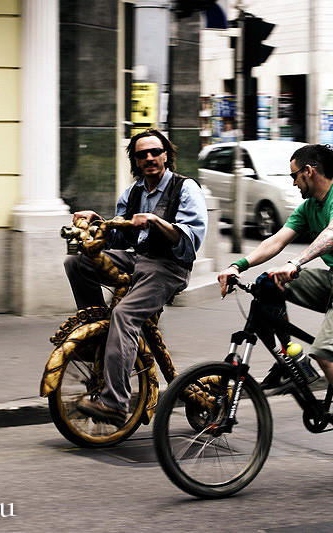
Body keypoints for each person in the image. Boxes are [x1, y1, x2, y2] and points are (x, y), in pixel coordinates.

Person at [217, 144, 333, 465]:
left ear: (309, 171)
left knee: (327, 353)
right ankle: (293, 361)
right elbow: (276, 240)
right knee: (266, 285)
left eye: (294, 176)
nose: (292, 183)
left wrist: (296, 263)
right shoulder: (309, 206)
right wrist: (238, 266)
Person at [66, 128, 208, 426]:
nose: (149, 158)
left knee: (125, 315)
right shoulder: (133, 192)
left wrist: (157, 221)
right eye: (141, 154)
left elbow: (190, 240)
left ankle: (116, 403)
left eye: (155, 152)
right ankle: (97, 331)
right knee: (77, 262)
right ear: (135, 160)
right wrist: (97, 220)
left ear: (166, 155)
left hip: (167, 266)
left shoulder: (185, 188)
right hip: (136, 259)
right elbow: (117, 238)